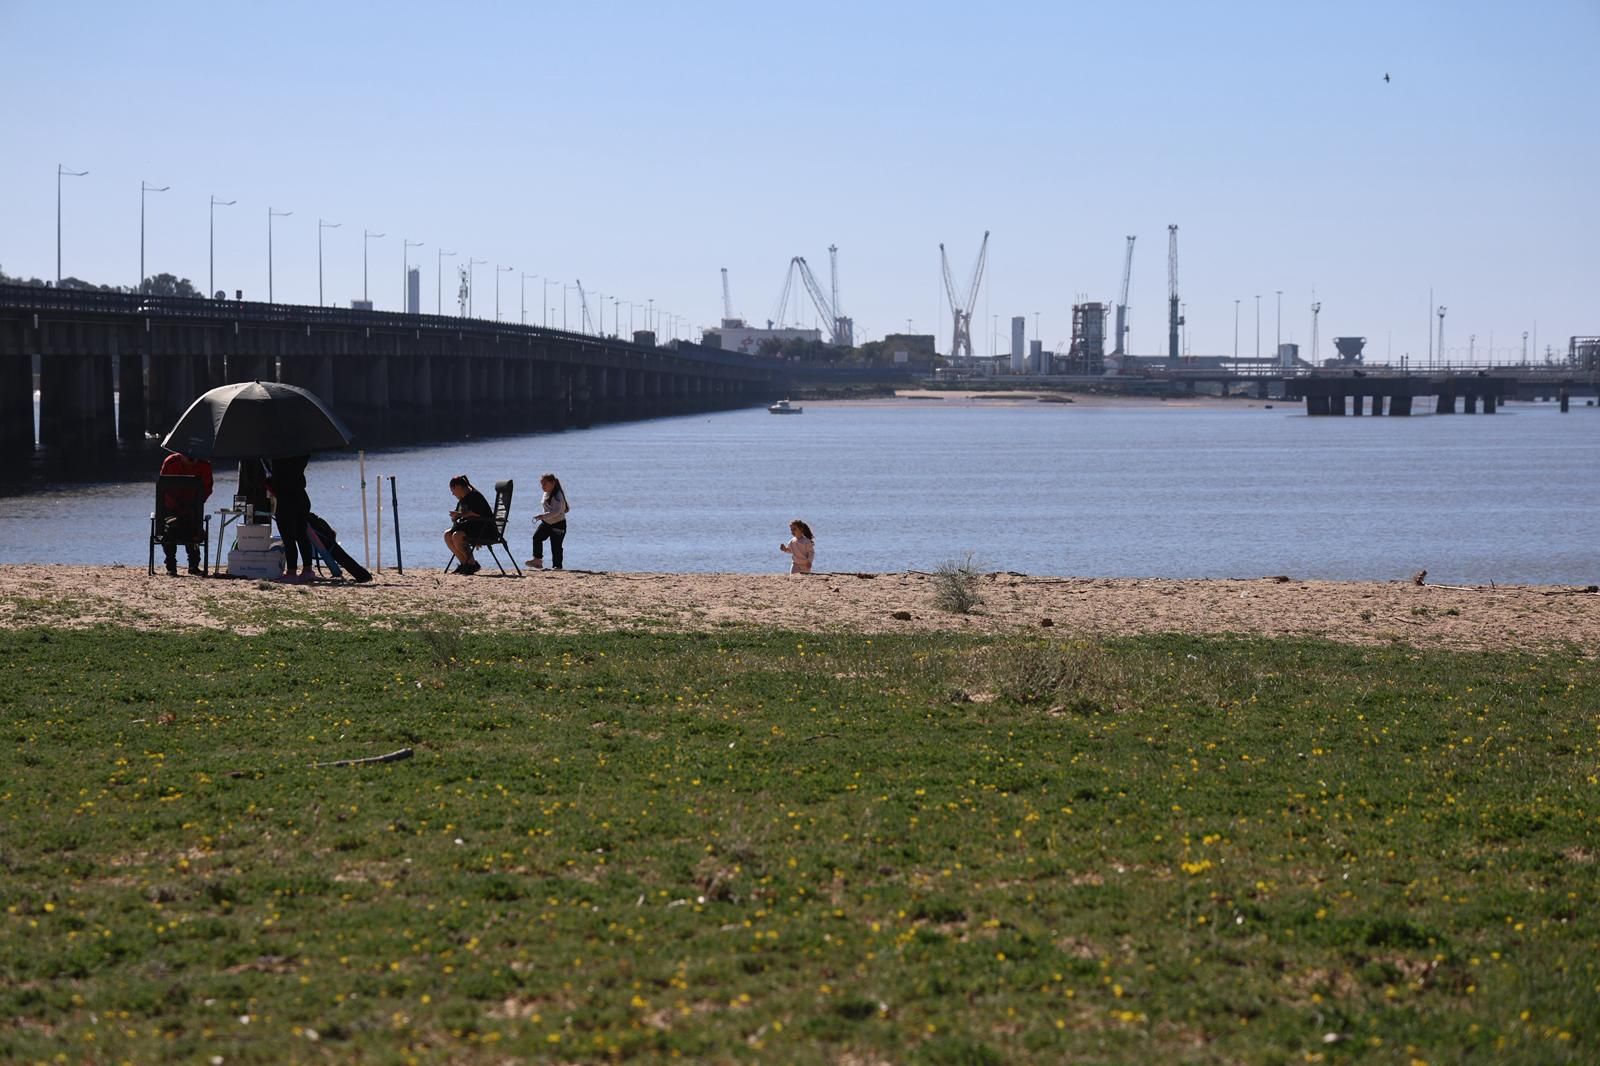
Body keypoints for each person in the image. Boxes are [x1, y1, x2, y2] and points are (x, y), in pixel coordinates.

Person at [158, 451, 213, 575]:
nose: (191, 459)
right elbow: (163, 490)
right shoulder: (171, 463)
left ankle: (193, 565)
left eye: (194, 457)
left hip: (192, 511)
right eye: (189, 457)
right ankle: (171, 566)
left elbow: (207, 490)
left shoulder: (205, 465)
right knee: (170, 527)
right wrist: (178, 506)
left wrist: (191, 506)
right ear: (181, 453)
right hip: (171, 510)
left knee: (194, 526)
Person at [267, 455, 314, 582]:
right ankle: (307, 570)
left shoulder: (279, 456)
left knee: (288, 537)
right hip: (301, 497)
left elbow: (277, 479)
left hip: (286, 499)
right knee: (301, 535)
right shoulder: (301, 453)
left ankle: (292, 572)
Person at [445, 474, 494, 575]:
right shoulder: (463, 499)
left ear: (458, 487)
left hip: (485, 529)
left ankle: (471, 564)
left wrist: (460, 515)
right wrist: (456, 517)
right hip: (472, 528)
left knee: (457, 536)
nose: (452, 494)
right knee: (447, 535)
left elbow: (476, 513)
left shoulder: (475, 496)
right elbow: (462, 516)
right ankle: (464, 564)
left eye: (452, 490)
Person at [526, 473, 569, 570]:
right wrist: (543, 516)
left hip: (558, 524)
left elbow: (556, 511)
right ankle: (537, 560)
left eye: (545, 484)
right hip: (547, 523)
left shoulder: (558, 495)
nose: (542, 486)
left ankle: (557, 566)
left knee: (556, 546)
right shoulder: (546, 493)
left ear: (552, 483)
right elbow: (548, 508)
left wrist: (542, 516)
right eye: (541, 484)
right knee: (537, 538)